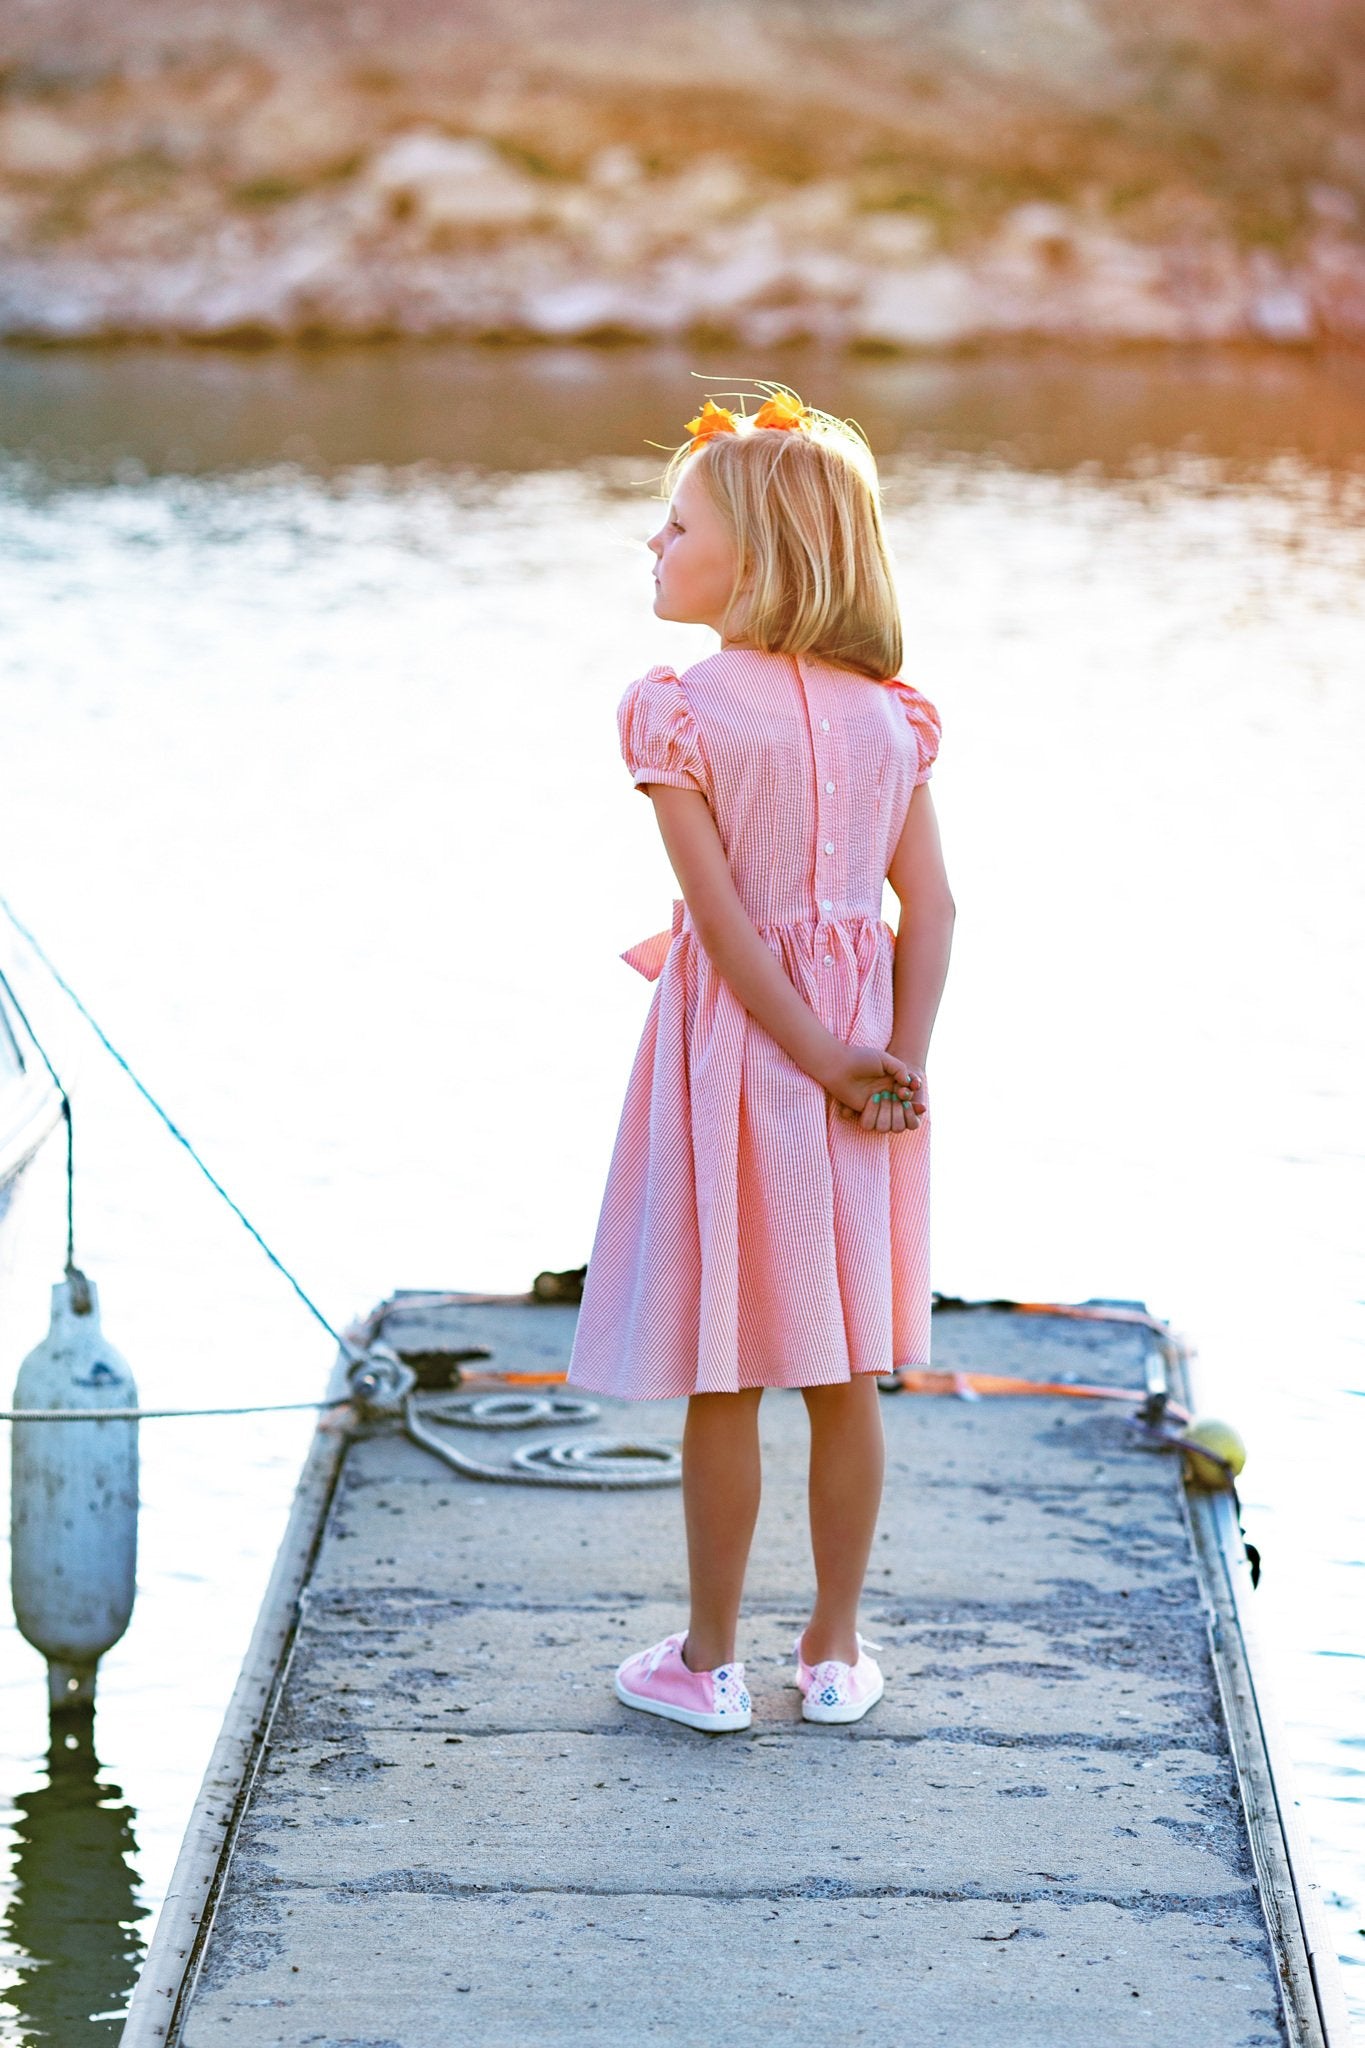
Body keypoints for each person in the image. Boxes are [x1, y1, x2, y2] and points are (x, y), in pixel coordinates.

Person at [566, 386, 956, 1733]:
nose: (654, 548)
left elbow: (725, 930)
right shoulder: (888, 717)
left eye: (675, 527)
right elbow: (936, 910)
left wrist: (816, 1056)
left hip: (747, 1056)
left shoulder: (675, 710)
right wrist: (886, 1059)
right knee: (843, 1367)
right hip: (863, 1062)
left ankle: (709, 1662)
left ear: (756, 557)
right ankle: (835, 1654)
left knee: (729, 1366)